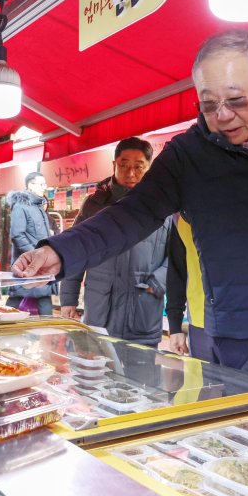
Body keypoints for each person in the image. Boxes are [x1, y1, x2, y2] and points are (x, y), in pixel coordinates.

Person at [13, 29, 248, 402]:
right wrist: (59, 253)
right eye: (207, 104)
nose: (221, 116)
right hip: (246, 344)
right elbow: (131, 214)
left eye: (236, 100)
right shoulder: (188, 155)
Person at [60, 137, 169, 345]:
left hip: (142, 310)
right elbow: (76, 249)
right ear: (114, 165)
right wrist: (68, 298)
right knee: (98, 371)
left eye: (138, 167)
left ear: (149, 167)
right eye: (124, 165)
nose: (130, 173)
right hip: (100, 308)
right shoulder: (94, 205)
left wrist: (157, 283)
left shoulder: (163, 206)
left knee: (142, 374)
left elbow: (177, 256)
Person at [5, 172, 57, 315]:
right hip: (25, 265)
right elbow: (17, 235)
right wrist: (35, 254)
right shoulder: (20, 206)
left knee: (44, 298)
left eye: (45, 184)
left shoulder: (39, 206)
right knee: (15, 299)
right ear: (30, 185)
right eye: (41, 184)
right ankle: (0, 330)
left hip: (41, 264)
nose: (44, 187)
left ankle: (48, 333)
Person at [165, 215, 213, 360]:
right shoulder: (181, 216)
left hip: (246, 326)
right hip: (200, 323)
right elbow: (177, 270)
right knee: (203, 382)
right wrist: (175, 326)